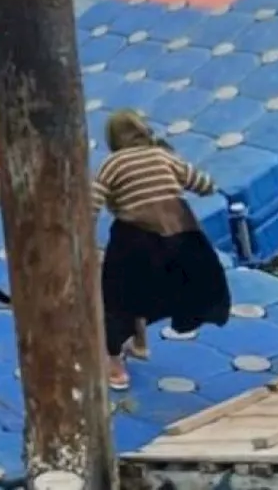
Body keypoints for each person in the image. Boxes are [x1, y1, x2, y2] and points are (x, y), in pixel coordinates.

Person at [92, 109, 231, 391]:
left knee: (117, 298)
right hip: (180, 237)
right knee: (160, 290)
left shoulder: (112, 164)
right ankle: (140, 343)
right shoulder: (162, 156)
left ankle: (115, 365)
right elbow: (205, 186)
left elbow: (91, 202)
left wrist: (85, 242)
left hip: (135, 238)